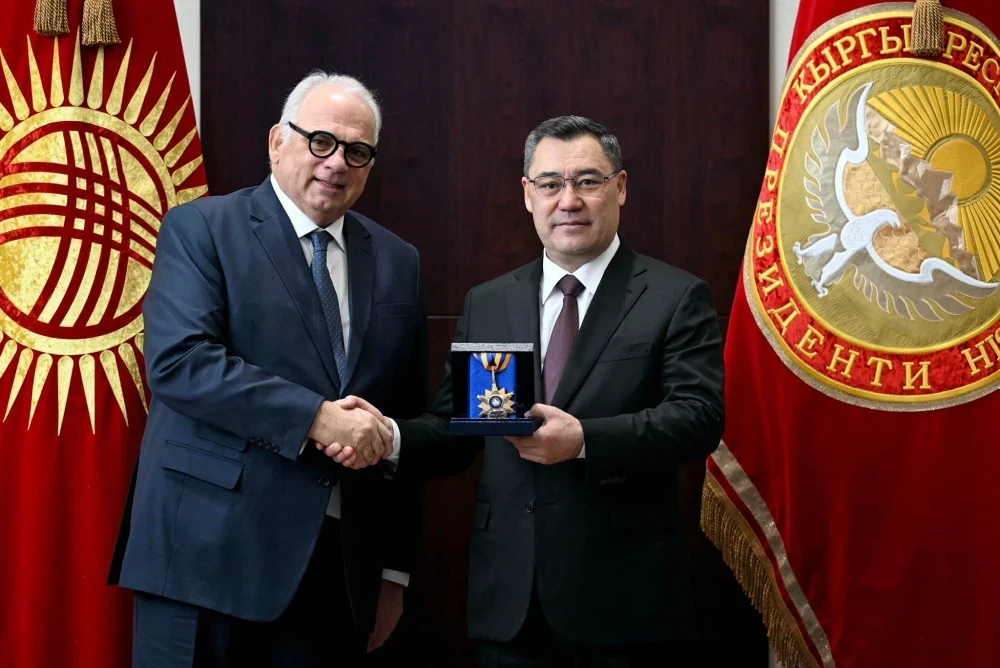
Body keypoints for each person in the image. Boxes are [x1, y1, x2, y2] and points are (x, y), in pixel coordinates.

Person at [333, 115, 725, 666]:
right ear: (527, 194)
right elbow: (458, 428)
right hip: (510, 602)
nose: (568, 200)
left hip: (624, 601)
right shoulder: (490, 302)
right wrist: (388, 435)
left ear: (620, 187)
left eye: (587, 181)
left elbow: (699, 417)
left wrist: (584, 440)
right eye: (550, 183)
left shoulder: (674, 296)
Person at [108, 71, 427, 667]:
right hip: (204, 558)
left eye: (357, 151)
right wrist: (316, 418)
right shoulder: (201, 227)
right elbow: (181, 363)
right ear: (278, 141)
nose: (337, 162)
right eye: (321, 141)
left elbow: (401, 421)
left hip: (335, 574)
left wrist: (392, 571)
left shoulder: (398, 261)